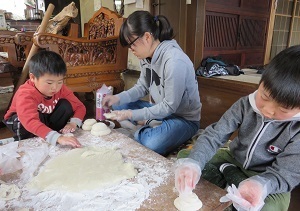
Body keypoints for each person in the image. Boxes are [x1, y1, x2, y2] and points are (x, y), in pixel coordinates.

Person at [175, 45, 300, 211]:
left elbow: (286, 175)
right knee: (186, 159)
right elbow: (214, 136)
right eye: (264, 96)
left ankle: (228, 176)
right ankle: (231, 175)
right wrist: (194, 163)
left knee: (271, 207)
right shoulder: (245, 105)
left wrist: (262, 185)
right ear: (261, 82)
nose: (268, 110)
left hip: (266, 177)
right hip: (233, 158)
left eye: (283, 109)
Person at [102, 11, 201, 156]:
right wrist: (117, 98)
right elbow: (142, 87)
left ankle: (145, 127)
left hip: (183, 119)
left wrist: (131, 114)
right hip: (161, 111)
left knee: (152, 143)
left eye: (132, 44)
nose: (131, 50)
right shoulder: (146, 57)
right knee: (117, 105)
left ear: (147, 37)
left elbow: (169, 107)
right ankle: (150, 123)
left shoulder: (174, 61)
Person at [2, 50, 86, 148]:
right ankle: (38, 138)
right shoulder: (26, 93)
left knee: (66, 105)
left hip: (44, 118)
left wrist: (73, 123)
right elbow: (30, 121)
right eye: (49, 83)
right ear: (33, 77)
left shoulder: (61, 88)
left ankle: (48, 133)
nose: (55, 87)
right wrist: (57, 138)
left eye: (59, 82)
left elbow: (80, 106)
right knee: (24, 120)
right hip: (22, 121)